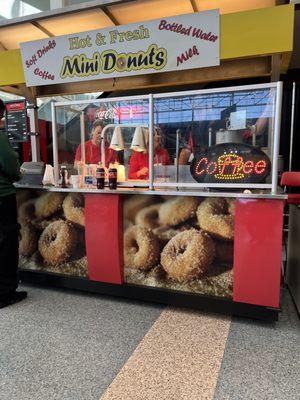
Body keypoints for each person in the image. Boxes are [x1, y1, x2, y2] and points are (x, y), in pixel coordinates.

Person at [0, 99, 27, 309]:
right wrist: (18, 172)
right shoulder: (0, 138)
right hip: (3, 197)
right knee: (7, 243)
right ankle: (6, 293)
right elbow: (11, 165)